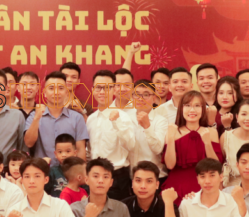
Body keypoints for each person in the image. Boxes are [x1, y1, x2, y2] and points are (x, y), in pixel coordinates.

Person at [86, 70, 136, 200]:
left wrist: (116, 123)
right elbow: (90, 150)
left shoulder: (123, 117)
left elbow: (131, 145)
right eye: (98, 87)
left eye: (107, 88)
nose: (102, 92)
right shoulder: (91, 119)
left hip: (117, 177)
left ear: (114, 90)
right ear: (92, 89)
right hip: (95, 176)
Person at [163, 91, 220, 203]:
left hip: (204, 185)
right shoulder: (173, 131)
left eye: (197, 106)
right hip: (177, 185)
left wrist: (207, 143)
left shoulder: (211, 132)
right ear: (181, 109)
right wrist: (170, 139)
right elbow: (169, 165)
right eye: (187, 105)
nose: (192, 110)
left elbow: (216, 166)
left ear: (203, 109)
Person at [24, 71, 89, 162]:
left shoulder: (77, 118)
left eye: (61, 88)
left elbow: (80, 149)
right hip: (42, 169)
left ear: (66, 92)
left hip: (69, 169)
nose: (56, 92)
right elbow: (29, 143)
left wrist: (78, 169)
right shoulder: (34, 116)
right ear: (44, 93)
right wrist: (37, 118)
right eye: (51, 88)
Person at [126, 79, 169, 183]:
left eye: (146, 95)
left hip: (155, 177)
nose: (141, 98)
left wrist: (147, 126)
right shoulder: (126, 119)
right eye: (137, 94)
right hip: (131, 177)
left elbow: (158, 149)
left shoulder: (161, 121)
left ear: (154, 98)